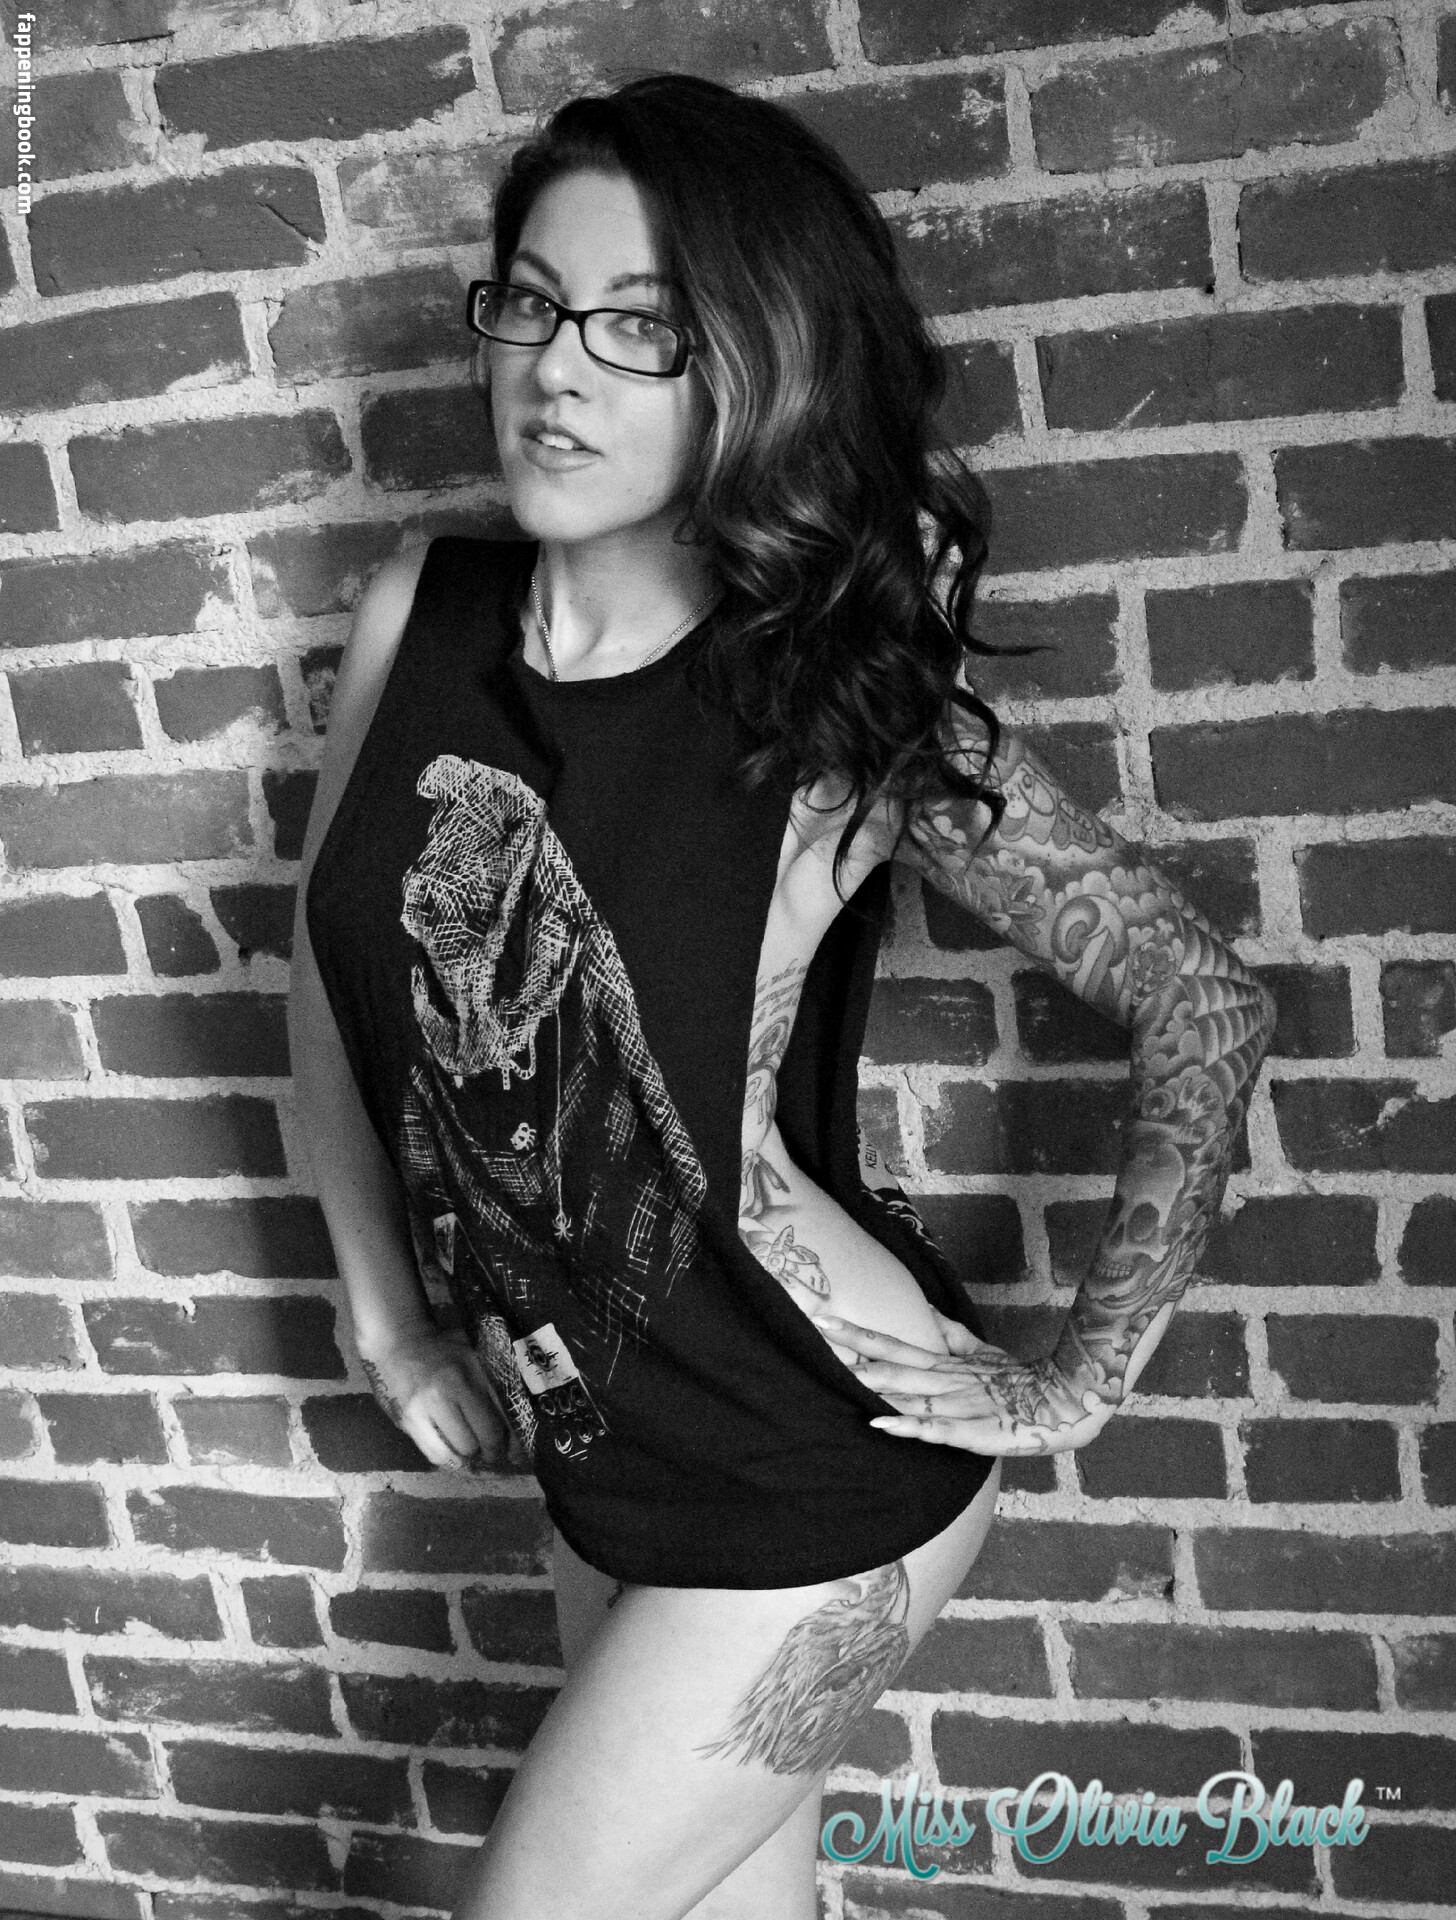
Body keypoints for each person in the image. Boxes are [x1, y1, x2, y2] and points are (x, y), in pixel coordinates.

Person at [288, 72, 1277, 1920]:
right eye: (531, 302)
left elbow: (1201, 999)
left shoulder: (825, 706)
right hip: (606, 1455)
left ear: (750, 361)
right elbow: (330, 985)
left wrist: (1080, 1382)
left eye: (641, 326)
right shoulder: (419, 613)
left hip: (813, 1459)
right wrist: (391, 1323)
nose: (555, 370)